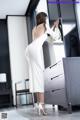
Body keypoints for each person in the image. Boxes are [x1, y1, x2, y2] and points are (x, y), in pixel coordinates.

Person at [25, 12, 61, 116]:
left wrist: (52, 28)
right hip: (35, 50)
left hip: (29, 49)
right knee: (39, 78)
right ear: (44, 19)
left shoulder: (34, 28)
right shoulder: (45, 26)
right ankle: (42, 107)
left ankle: (39, 105)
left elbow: (45, 38)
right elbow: (55, 37)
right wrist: (56, 27)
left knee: (35, 77)